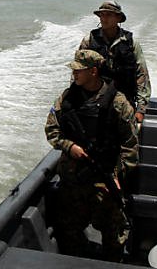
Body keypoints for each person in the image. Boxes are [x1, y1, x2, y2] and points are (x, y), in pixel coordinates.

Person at [45, 49, 138, 261]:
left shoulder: (118, 102)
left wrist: (117, 175)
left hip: (104, 182)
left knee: (113, 238)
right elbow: (52, 130)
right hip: (72, 181)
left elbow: (130, 145)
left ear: (94, 71)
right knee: (68, 234)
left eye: (79, 70)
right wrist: (69, 146)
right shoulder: (67, 99)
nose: (74, 74)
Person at [78, 0, 151, 125]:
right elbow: (78, 71)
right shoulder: (89, 41)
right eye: (102, 15)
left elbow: (141, 75)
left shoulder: (131, 43)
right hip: (94, 100)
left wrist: (141, 109)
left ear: (118, 18)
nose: (104, 18)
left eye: (109, 15)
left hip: (125, 101)